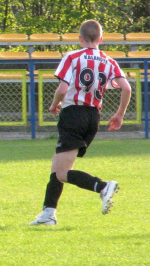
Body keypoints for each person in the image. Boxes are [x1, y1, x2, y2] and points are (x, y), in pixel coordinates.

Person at [29, 20, 131, 225]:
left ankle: (102, 187)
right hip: (93, 117)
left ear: (80, 39)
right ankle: (48, 214)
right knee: (57, 166)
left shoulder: (72, 57)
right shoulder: (109, 61)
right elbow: (126, 88)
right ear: (101, 39)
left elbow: (63, 89)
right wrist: (119, 114)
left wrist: (53, 105)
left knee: (62, 172)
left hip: (73, 114)